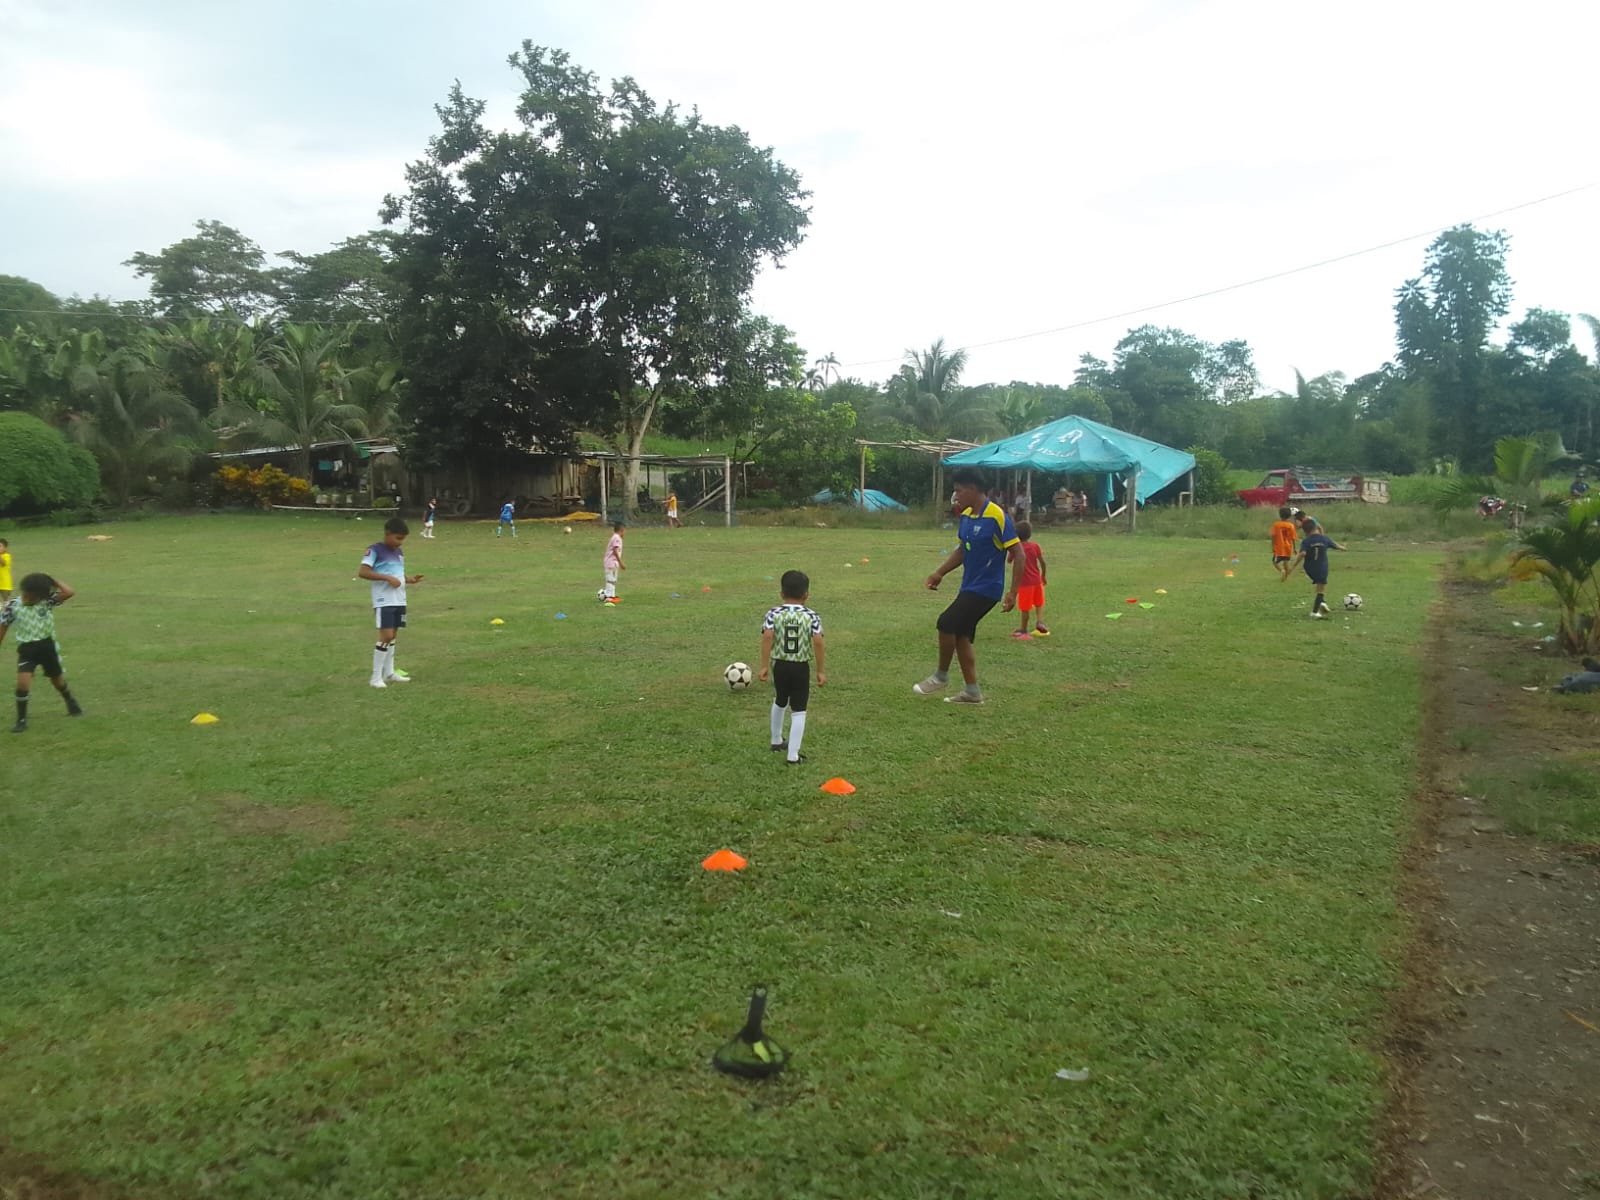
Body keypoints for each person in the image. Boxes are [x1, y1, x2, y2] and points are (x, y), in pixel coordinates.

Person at [914, 467, 1023, 704]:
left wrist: (1013, 592)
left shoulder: (996, 516)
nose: (956, 496)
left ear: (973, 489)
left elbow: (1019, 552)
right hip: (969, 586)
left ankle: (941, 676)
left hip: (988, 588)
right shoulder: (967, 516)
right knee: (962, 636)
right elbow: (963, 550)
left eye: (959, 491)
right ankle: (972, 692)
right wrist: (940, 572)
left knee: (946, 623)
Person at [758, 569, 826, 765]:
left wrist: (764, 666)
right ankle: (793, 756)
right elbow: (818, 641)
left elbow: (767, 636)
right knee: (799, 710)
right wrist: (820, 670)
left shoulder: (773, 613)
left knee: (780, 700)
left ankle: (776, 740)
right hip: (800, 667)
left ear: (781, 594)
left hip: (779, 665)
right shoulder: (811, 616)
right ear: (806, 594)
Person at [0, 572, 84, 733]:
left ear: (41, 597)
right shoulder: (12, 606)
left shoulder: (47, 602)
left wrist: (51, 580)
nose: (27, 599)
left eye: (32, 598)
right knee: (23, 683)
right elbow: (3, 626)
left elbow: (69, 592)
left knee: (57, 681)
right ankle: (21, 720)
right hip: (27, 650)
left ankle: (70, 700)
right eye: (25, 595)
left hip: (47, 648)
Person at [358, 517, 423, 688]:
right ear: (387, 533)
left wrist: (409, 579)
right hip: (383, 600)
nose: (400, 542)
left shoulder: (398, 552)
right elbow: (363, 572)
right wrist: (386, 578)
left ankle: (389, 672)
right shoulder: (374, 550)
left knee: (393, 635)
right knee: (386, 636)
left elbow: (397, 573)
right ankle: (375, 677)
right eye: (398, 538)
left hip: (399, 599)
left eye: (403, 539)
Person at [1286, 519, 1346, 618]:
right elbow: (1335, 546)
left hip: (1309, 568)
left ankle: (1322, 602)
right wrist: (1343, 548)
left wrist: (1293, 566)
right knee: (1320, 589)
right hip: (1321, 568)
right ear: (1316, 527)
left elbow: (1302, 553)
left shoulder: (1306, 541)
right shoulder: (1324, 539)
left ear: (1305, 531)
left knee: (1319, 585)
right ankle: (1314, 612)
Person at [1013, 522, 1050, 638]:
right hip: (1037, 580)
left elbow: (1010, 560)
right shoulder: (1035, 546)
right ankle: (1040, 622)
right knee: (1039, 603)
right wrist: (1043, 576)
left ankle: (1023, 629)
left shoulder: (1017, 548)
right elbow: (1043, 563)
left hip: (1025, 583)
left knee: (1025, 607)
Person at [1270, 506, 1299, 581]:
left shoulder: (1276, 525)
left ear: (1280, 515)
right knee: (1286, 563)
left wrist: (1273, 546)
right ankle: (1285, 578)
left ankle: (1282, 571)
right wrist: (1294, 548)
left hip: (1279, 548)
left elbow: (1273, 536)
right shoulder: (1291, 526)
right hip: (1288, 547)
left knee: (1275, 562)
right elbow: (1293, 538)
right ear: (1289, 516)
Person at [601, 521, 625, 604]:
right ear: (621, 530)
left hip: (613, 563)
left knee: (613, 579)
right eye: (624, 531)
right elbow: (615, 550)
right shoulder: (616, 538)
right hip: (611, 562)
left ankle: (612, 596)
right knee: (610, 579)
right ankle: (608, 597)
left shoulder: (615, 537)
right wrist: (621, 563)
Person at [0, 538, 11, 605]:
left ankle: (8, 609)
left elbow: (3, 563)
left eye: (0, 546)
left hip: (4, 583)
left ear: (5, 548)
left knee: (6, 600)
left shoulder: (7, 556)